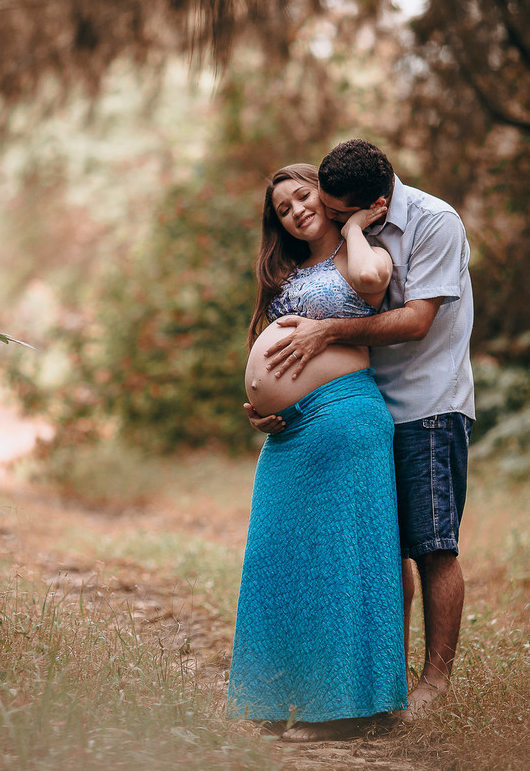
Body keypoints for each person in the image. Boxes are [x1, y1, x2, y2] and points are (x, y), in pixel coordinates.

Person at [251, 139, 475, 721]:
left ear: (365, 203)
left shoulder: (434, 222)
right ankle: (380, 683)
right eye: (291, 206)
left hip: (426, 403)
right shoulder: (333, 237)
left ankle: (434, 685)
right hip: (356, 408)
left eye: (325, 204)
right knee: (379, 551)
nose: (311, 211)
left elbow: (417, 320)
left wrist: (327, 331)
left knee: (432, 546)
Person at [227, 162, 406, 742]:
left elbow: (374, 285)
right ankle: (273, 698)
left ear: (324, 196)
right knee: (277, 557)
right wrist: (259, 406)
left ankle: (342, 710)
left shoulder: (361, 256)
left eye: (303, 197)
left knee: (340, 562)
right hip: (289, 433)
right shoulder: (289, 273)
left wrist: (352, 226)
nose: (296, 211)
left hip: (345, 419)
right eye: (283, 209)